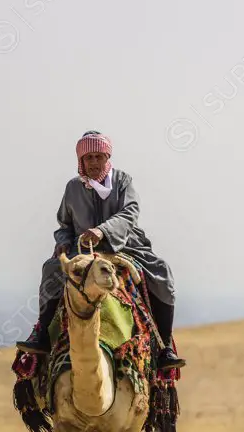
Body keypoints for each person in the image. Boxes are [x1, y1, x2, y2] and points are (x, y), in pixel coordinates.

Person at [17, 131, 186, 370]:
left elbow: (130, 213)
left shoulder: (123, 181)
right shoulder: (73, 187)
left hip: (126, 246)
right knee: (51, 269)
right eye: (89, 158)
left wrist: (103, 232)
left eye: (99, 156)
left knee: (162, 272)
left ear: (107, 157)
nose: (94, 162)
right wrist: (64, 241)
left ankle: (165, 346)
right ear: (81, 161)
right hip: (82, 250)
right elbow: (64, 224)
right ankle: (42, 334)